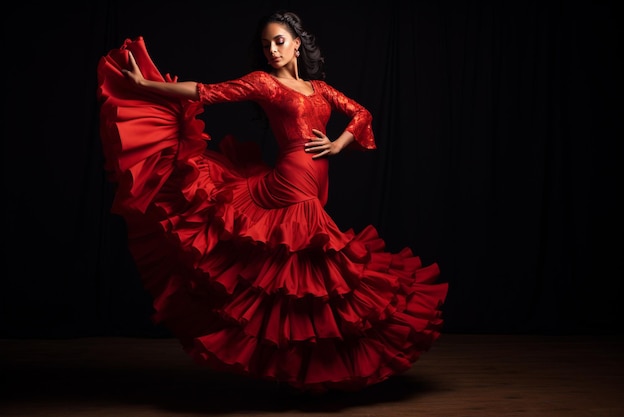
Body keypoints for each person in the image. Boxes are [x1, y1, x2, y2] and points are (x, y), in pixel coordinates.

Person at [97, 10, 448, 393]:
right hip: (291, 180)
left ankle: (299, 366)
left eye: (279, 41)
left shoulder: (321, 89)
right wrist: (147, 83)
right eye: (266, 45)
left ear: (297, 43)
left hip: (315, 183)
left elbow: (362, 114)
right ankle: (301, 366)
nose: (272, 50)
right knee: (311, 274)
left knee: (298, 278)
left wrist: (337, 144)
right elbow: (206, 91)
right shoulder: (263, 83)